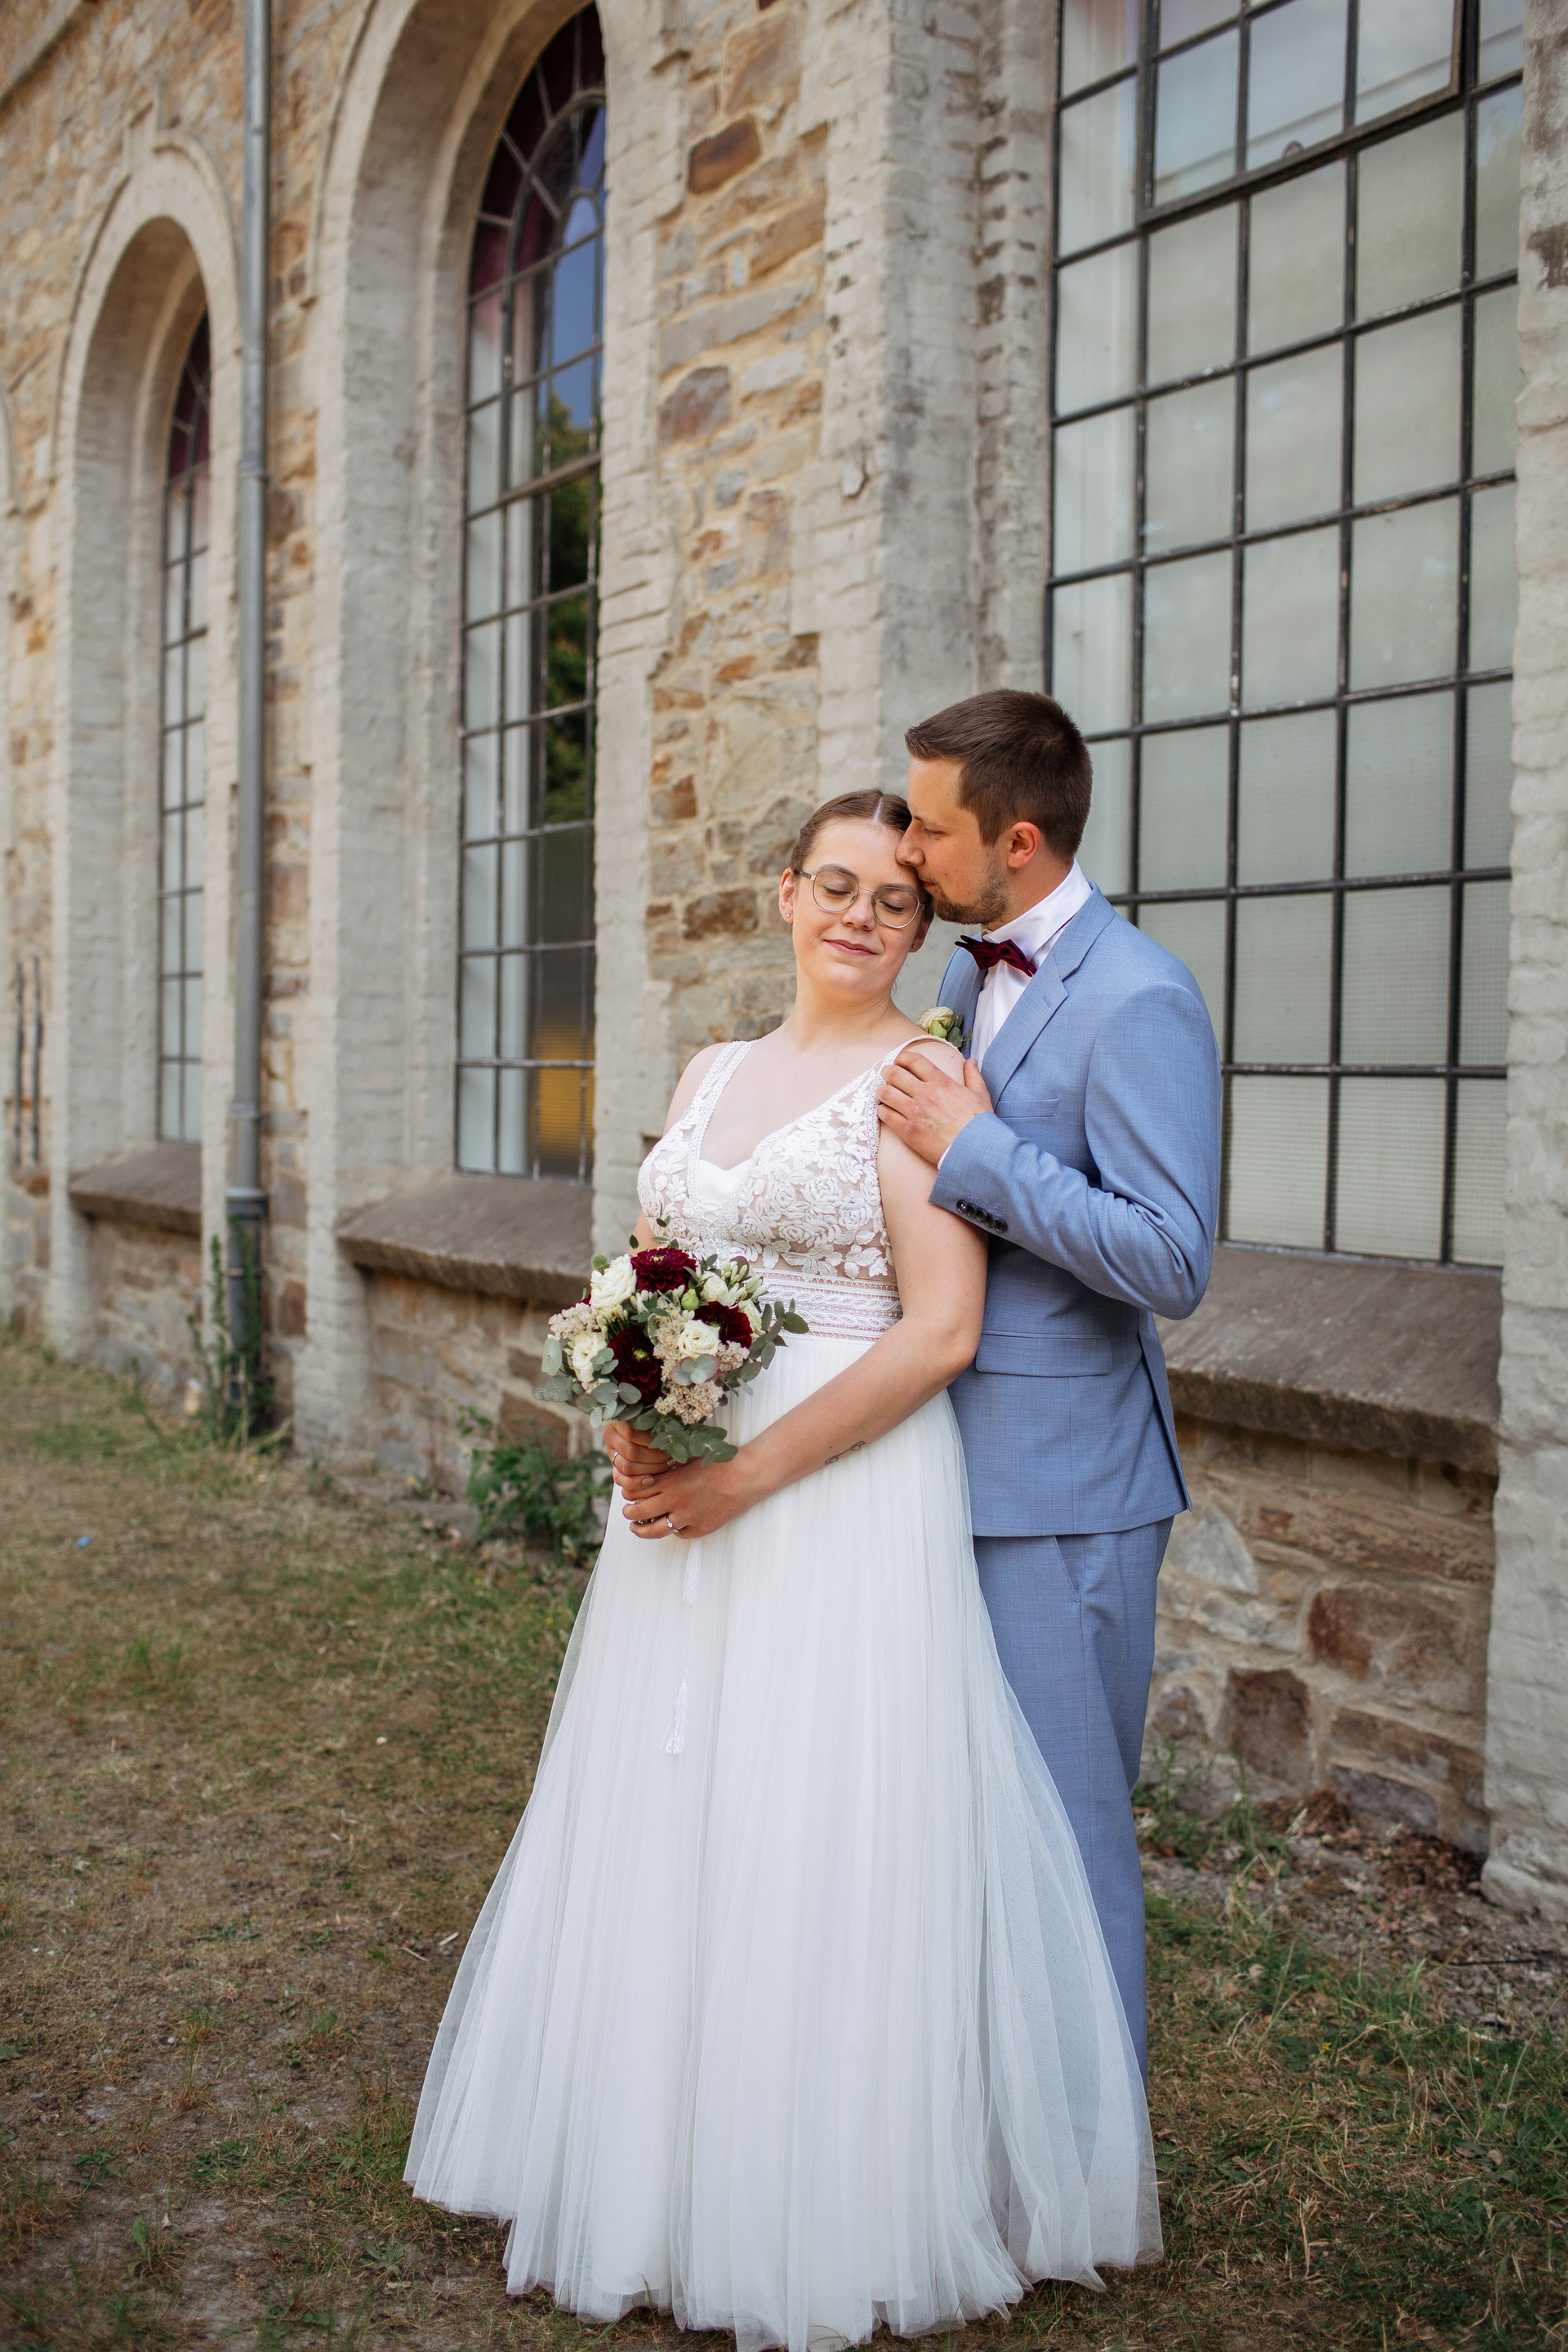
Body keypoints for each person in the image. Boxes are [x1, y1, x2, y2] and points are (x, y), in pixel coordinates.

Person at [405, 789, 1160, 2350]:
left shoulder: (924, 1080)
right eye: (835, 885)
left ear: (922, 925)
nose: (860, 918)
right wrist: (633, 1414)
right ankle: (656, 2163)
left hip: (838, 1494)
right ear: (783, 894)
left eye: (895, 898)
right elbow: (649, 1275)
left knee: (815, 1808)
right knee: (674, 1799)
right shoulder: (711, 1071)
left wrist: (747, 1473)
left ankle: (814, 2189)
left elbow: (942, 1334)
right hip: (686, 1494)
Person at [875, 690, 1223, 2076]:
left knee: (1066, 1833)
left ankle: (1086, 2157)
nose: (905, 850)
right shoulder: (971, 976)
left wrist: (978, 1151)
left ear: (1018, 842)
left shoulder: (1141, 998)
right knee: (967, 1822)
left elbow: (1171, 1257)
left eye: (927, 827)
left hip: (1070, 1490)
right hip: (947, 1461)